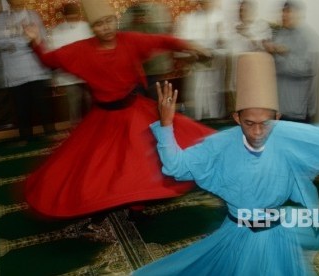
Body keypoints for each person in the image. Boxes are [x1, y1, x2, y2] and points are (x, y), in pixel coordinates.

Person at [132, 52, 319, 275]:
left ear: (277, 117)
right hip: (236, 231)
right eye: (249, 123)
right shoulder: (221, 144)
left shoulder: (287, 135)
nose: (258, 132)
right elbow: (176, 166)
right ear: (236, 118)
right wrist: (167, 126)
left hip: (275, 234)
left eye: (265, 123)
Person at [22, 0, 215, 219]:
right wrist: (36, 41)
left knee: (144, 158)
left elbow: (162, 40)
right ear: (92, 27)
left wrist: (191, 45)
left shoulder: (130, 40)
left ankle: (137, 208)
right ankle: (103, 200)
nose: (106, 28)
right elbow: (49, 60)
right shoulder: (80, 50)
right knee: (99, 166)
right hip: (103, 118)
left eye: (109, 21)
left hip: (133, 112)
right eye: (99, 24)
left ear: (116, 20)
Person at [0, 0, 56, 143]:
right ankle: (25, 138)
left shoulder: (33, 15)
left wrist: (23, 42)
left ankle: (50, 133)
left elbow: (40, 37)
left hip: (36, 68)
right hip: (16, 70)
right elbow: (0, 42)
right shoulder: (1, 19)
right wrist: (24, 41)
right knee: (21, 106)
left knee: (43, 105)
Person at [263, 0, 319, 123]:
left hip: (298, 110)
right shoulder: (281, 33)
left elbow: (309, 68)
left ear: (299, 14)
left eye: (288, 12)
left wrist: (284, 53)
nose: (284, 15)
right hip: (280, 106)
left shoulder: (309, 37)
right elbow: (275, 65)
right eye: (283, 11)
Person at [174, 0, 227, 120]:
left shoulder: (219, 17)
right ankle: (199, 121)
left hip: (215, 66)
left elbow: (224, 43)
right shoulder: (190, 19)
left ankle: (215, 120)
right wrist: (197, 51)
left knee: (214, 97)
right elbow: (183, 43)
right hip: (197, 66)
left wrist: (216, 46)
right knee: (198, 98)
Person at [48, 2, 93, 127]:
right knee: (74, 104)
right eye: (70, 16)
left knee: (91, 102)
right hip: (69, 75)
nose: (73, 18)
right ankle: (76, 131)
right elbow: (56, 53)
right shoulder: (57, 31)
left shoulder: (87, 27)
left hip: (88, 74)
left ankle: (93, 129)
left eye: (75, 15)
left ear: (79, 14)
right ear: (65, 16)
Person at [118, 0, 174, 100]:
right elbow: (121, 35)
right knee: (140, 103)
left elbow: (165, 34)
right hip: (137, 69)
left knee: (157, 102)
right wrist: (133, 23)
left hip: (156, 67)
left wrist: (150, 21)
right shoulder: (129, 11)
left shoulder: (159, 9)